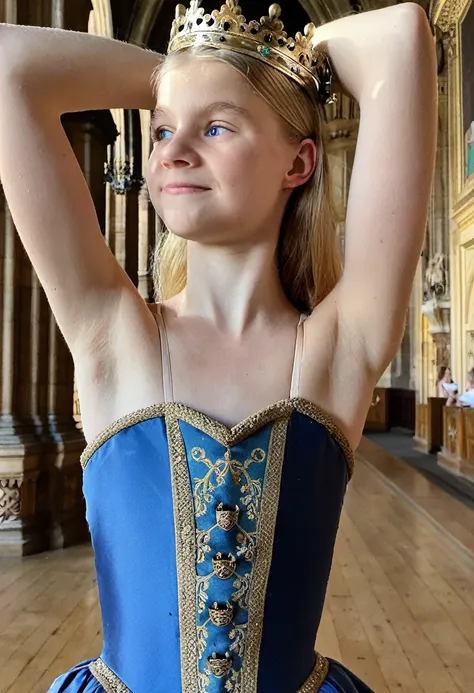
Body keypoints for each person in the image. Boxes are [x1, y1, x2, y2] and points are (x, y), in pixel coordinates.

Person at [0, 2, 437, 692]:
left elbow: (403, 38)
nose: (173, 148)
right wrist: (186, 77)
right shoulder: (115, 336)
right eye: (164, 128)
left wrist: (277, 69)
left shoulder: (335, 350)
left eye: (216, 126)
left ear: (299, 162)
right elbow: (8, 68)